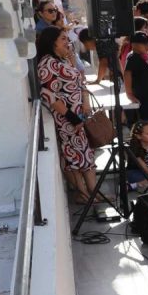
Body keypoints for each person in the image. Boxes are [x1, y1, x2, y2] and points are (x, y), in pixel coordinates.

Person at [35, 26, 100, 204]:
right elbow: (49, 95)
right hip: (67, 119)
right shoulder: (47, 63)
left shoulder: (62, 60)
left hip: (78, 115)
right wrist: (72, 117)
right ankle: (84, 194)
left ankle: (93, 192)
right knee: (74, 157)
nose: (67, 42)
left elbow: (80, 82)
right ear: (52, 42)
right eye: (63, 39)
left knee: (85, 153)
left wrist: (85, 102)